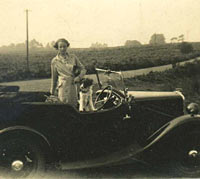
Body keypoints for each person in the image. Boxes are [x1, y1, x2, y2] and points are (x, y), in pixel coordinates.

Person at [50, 38, 86, 107]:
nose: (63, 48)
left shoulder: (73, 57)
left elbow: (83, 69)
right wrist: (52, 91)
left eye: (64, 46)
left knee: (74, 106)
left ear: (67, 46)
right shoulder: (54, 61)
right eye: (60, 47)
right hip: (62, 88)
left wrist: (79, 77)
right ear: (57, 48)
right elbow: (54, 78)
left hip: (73, 85)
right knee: (63, 107)